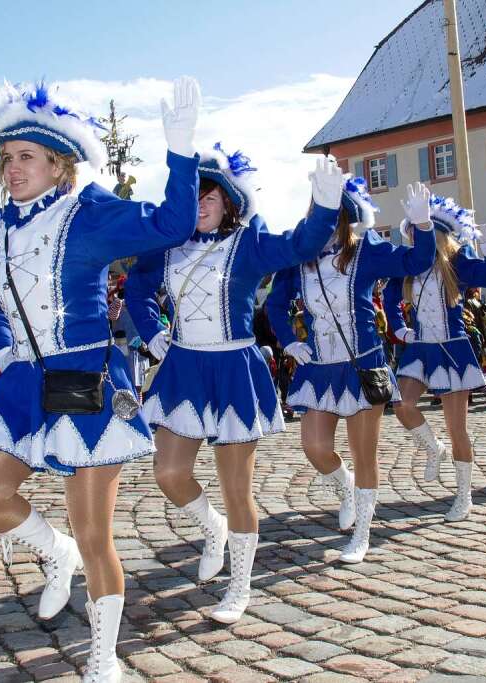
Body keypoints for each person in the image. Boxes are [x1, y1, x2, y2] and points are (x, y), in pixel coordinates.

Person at [0, 77, 202, 681]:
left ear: (59, 164)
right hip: (23, 381)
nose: (13, 169)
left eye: (27, 157)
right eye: (7, 158)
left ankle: (103, 654)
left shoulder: (87, 214)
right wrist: (6, 348)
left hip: (88, 379)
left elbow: (173, 223)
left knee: (95, 533)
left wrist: (181, 150)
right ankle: (51, 549)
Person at [125, 145, 343, 623]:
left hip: (233, 371)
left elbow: (301, 246)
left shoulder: (249, 243)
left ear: (229, 203)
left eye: (209, 197)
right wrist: (153, 331)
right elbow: (136, 288)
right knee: (168, 474)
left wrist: (325, 207)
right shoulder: (166, 248)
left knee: (236, 488)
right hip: (183, 368)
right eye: (193, 197)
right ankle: (212, 528)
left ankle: (239, 587)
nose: (200, 205)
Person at [266, 177, 434, 563]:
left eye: (332, 211)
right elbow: (275, 305)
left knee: (364, 454)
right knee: (314, 446)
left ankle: (361, 533)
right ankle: (345, 489)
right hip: (321, 367)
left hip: (363, 364)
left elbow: (416, 261)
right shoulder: (299, 255)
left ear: (344, 215)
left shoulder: (366, 250)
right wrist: (290, 341)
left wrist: (423, 227)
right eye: (318, 209)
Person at [381, 190, 486, 521]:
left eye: (422, 232)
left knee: (457, 429)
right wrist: (399, 329)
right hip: (419, 347)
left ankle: (464, 496)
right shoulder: (406, 265)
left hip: (453, 349)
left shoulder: (457, 263)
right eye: (412, 233)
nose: (415, 238)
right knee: (402, 405)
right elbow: (390, 299)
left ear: (439, 236)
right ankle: (432, 449)